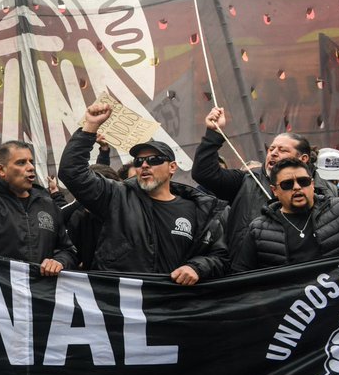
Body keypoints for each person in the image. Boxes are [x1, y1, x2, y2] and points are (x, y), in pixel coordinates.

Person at [59, 103, 229, 283]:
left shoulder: (199, 209)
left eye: (154, 160)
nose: (145, 165)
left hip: (175, 306)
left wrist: (196, 267)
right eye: (139, 162)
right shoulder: (116, 197)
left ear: (172, 167)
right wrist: (90, 127)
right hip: (124, 305)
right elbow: (72, 172)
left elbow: (220, 257)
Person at [193, 106, 336, 253]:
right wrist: (213, 133)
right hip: (252, 269)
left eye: (282, 150)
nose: (273, 153)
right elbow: (204, 173)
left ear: (303, 158)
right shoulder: (247, 180)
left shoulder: (326, 190)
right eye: (271, 149)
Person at [0, 135, 77, 275]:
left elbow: (68, 250)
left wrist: (59, 261)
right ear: (1, 170)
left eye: (31, 162)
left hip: (41, 293)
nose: (31, 167)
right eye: (21, 163)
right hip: (0, 292)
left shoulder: (48, 205)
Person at [233, 159, 339, 272]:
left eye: (303, 181)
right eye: (287, 184)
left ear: (312, 184)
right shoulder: (258, 230)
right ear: (274, 190)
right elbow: (243, 275)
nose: (297, 187)